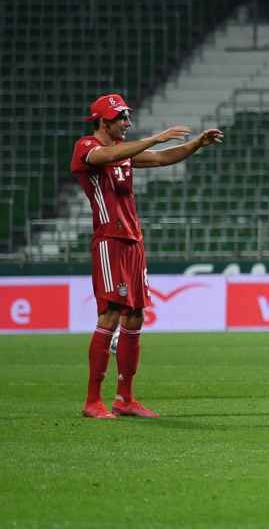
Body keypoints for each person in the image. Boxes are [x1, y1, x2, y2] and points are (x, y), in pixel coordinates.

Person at [72, 93, 223, 418]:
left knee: (136, 316)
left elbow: (161, 158)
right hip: (109, 241)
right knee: (110, 315)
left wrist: (195, 144)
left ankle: (124, 398)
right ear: (103, 121)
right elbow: (109, 155)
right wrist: (154, 137)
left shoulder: (124, 153)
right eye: (120, 118)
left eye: (127, 117)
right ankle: (92, 400)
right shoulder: (86, 148)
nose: (127, 123)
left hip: (133, 242)